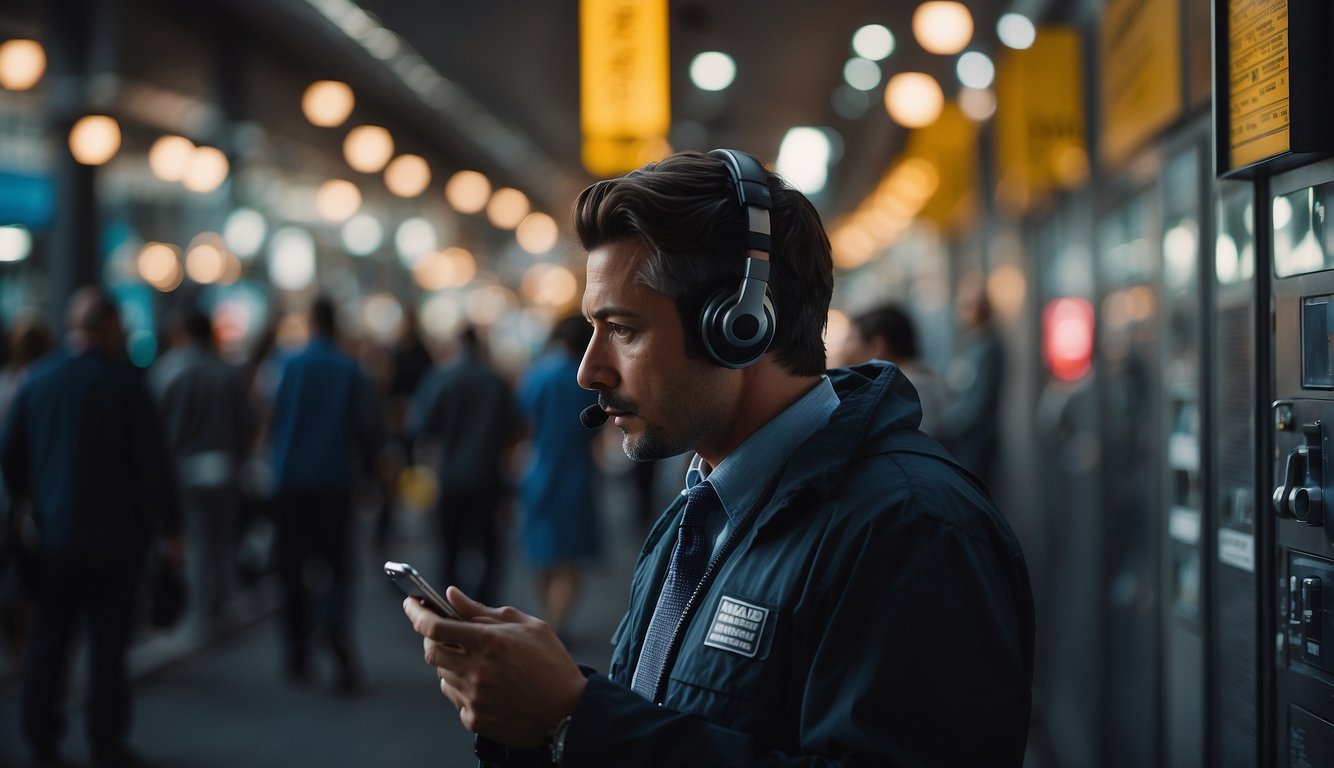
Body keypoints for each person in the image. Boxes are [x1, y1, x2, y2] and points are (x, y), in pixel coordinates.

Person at [400, 150, 1034, 766]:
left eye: (623, 329)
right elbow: (667, 715)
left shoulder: (912, 529)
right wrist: (544, 721)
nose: (589, 371)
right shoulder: (702, 507)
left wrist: (578, 718)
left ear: (739, 326)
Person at [1, 287, 182, 767]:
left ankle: (40, 735)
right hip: (116, 540)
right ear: (106, 327)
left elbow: (11, 456)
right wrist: (171, 532)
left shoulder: (36, 380)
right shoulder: (124, 384)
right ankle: (105, 740)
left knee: (48, 640)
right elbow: (153, 466)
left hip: (52, 537)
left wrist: (27, 503)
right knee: (108, 645)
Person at [266, 295, 383, 694]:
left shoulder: (287, 363)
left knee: (290, 569)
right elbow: (368, 425)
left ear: (310, 323)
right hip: (334, 480)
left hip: (289, 480)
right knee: (337, 567)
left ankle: (295, 652)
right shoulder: (350, 368)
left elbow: (271, 416)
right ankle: (333, 628)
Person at [148, 305, 252, 623]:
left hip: (183, 467)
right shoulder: (227, 371)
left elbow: (153, 426)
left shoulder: (166, 370)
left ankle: (203, 605)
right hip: (224, 465)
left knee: (195, 539)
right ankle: (220, 598)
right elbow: (245, 423)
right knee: (222, 539)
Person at [406, 324, 521, 607]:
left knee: (449, 548)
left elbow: (422, 426)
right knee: (489, 549)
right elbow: (514, 426)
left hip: (450, 477)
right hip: (488, 476)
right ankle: (484, 605)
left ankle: (451, 605)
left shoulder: (441, 378)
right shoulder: (496, 381)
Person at [516, 314, 601, 640]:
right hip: (575, 473)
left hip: (537, 470)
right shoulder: (586, 379)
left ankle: (547, 621)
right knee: (570, 559)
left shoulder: (538, 373)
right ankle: (555, 625)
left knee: (542, 553)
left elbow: (522, 421)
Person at [837, 303, 949, 438]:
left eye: (851, 339)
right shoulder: (922, 381)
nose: (844, 349)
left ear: (877, 346)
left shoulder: (907, 391)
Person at [937, 274, 1006, 491]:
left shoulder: (988, 347)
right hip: (963, 438)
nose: (963, 313)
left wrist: (945, 426)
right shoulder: (968, 344)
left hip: (976, 439)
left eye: (969, 307)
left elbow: (977, 403)